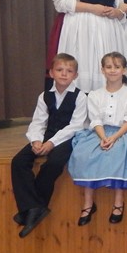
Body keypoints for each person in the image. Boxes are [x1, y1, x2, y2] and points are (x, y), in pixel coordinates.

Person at [11, 53, 87, 238]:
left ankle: (33, 208)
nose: (64, 74)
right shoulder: (44, 96)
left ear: (75, 75)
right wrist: (36, 140)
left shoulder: (80, 97)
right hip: (47, 134)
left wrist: (52, 143)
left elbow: (76, 125)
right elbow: (38, 122)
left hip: (69, 137)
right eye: (59, 70)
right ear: (51, 73)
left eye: (69, 71)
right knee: (18, 162)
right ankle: (34, 207)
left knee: (53, 163)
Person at [68, 52, 127, 225]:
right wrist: (103, 137)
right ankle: (88, 202)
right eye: (108, 67)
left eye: (117, 67)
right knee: (85, 153)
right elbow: (95, 120)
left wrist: (113, 138)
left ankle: (118, 201)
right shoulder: (94, 95)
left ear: (124, 70)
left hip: (121, 132)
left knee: (118, 153)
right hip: (99, 132)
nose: (112, 70)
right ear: (102, 70)